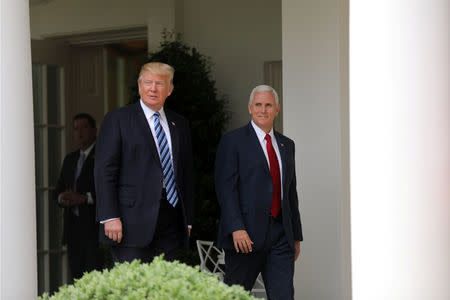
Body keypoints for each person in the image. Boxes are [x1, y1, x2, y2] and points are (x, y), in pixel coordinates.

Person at [95, 62, 194, 263]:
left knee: (167, 288)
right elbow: (105, 170)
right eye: (148, 82)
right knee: (135, 288)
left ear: (170, 89)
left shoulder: (180, 124)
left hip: (172, 220)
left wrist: (188, 219)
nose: (153, 88)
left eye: (159, 83)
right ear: (139, 86)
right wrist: (109, 216)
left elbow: (187, 173)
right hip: (129, 221)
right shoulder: (118, 119)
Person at [215, 85, 303, 299]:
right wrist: (236, 228)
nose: (263, 110)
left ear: (277, 109)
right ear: (250, 108)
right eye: (258, 105)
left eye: (268, 105)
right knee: (235, 295)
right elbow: (225, 189)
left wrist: (296, 236)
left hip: (281, 236)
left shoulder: (286, 145)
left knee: (283, 295)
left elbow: (290, 192)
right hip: (245, 237)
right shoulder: (233, 141)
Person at [55, 113, 103, 281]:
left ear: (94, 131)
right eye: (76, 129)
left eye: (84, 127)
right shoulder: (70, 159)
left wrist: (84, 198)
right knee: (76, 279)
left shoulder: (103, 157)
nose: (79, 132)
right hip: (72, 230)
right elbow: (58, 190)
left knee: (94, 280)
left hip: (94, 231)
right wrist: (62, 197)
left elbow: (110, 191)